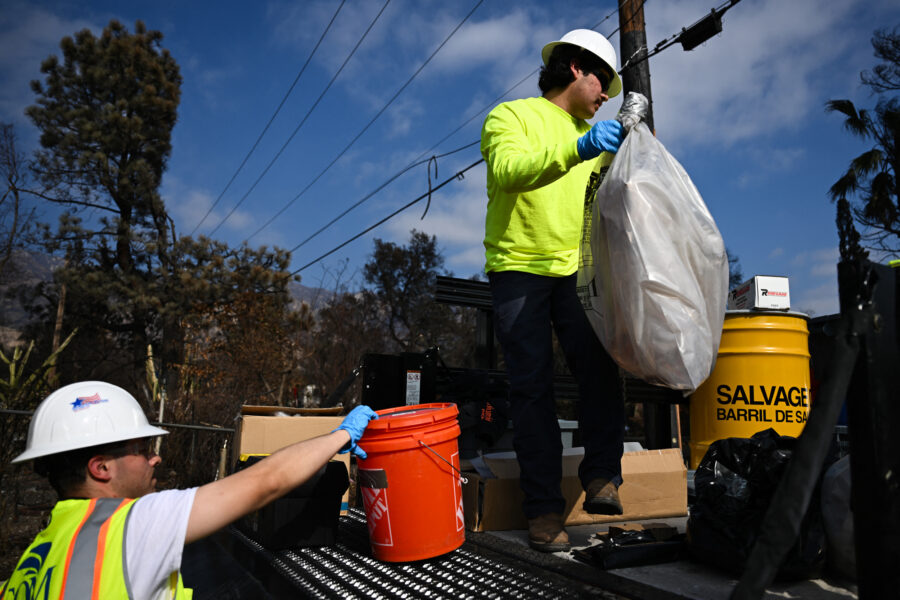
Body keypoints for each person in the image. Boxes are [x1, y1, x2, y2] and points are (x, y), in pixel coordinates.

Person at [1, 380, 377, 599]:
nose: (156, 460)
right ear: (100, 468)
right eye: (143, 451)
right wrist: (340, 435)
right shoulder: (130, 526)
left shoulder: (42, 549)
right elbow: (267, 481)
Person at [481, 29, 626, 552]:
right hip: (518, 266)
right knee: (532, 387)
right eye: (602, 81)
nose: (606, 95)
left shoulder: (600, 138)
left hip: (575, 270)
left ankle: (602, 476)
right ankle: (543, 512)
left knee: (601, 366)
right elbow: (509, 169)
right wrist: (579, 147)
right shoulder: (511, 117)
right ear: (574, 69)